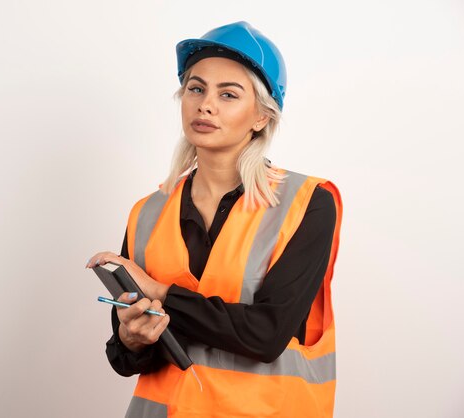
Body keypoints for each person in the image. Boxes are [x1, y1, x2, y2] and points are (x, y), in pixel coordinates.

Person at [86, 21, 343, 418]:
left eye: (228, 94)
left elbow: (267, 334)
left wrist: (159, 291)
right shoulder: (147, 212)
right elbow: (124, 359)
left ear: (261, 116)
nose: (206, 104)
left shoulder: (307, 203)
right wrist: (132, 339)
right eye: (196, 88)